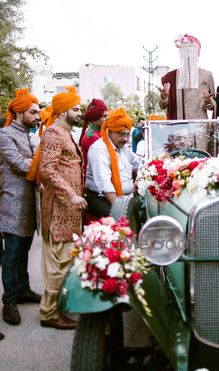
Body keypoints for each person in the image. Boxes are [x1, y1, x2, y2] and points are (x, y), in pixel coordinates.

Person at [38, 86, 86, 330]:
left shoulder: (66, 133)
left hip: (69, 210)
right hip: (58, 211)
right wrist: (71, 194)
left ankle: (58, 307)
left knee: (67, 260)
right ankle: (49, 314)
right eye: (76, 109)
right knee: (57, 264)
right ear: (63, 110)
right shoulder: (53, 134)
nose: (79, 113)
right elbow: (46, 170)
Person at [0, 89, 41, 327]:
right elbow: (19, 163)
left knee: (24, 249)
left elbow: (33, 163)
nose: (37, 116)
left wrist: (37, 164)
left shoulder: (32, 136)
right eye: (33, 112)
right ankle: (9, 301)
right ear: (19, 112)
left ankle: (24, 290)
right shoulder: (4, 135)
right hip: (12, 202)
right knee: (12, 254)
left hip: (29, 203)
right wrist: (40, 165)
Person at [85, 107, 142, 218]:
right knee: (124, 222)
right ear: (110, 132)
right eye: (121, 134)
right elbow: (104, 184)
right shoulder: (99, 149)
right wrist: (120, 210)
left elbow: (139, 163)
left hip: (123, 197)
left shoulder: (123, 148)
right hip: (102, 198)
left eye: (127, 135)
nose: (125, 139)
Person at [158, 34, 216, 120]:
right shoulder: (170, 77)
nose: (188, 58)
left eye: (191, 54)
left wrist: (208, 101)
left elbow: (213, 107)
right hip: (177, 129)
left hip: (201, 128)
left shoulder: (207, 75)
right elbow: (162, 106)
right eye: (185, 54)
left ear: (198, 54)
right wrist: (163, 96)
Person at [79, 98, 108, 176]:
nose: (108, 119)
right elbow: (101, 163)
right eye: (104, 116)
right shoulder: (91, 137)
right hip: (94, 182)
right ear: (94, 120)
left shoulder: (100, 133)